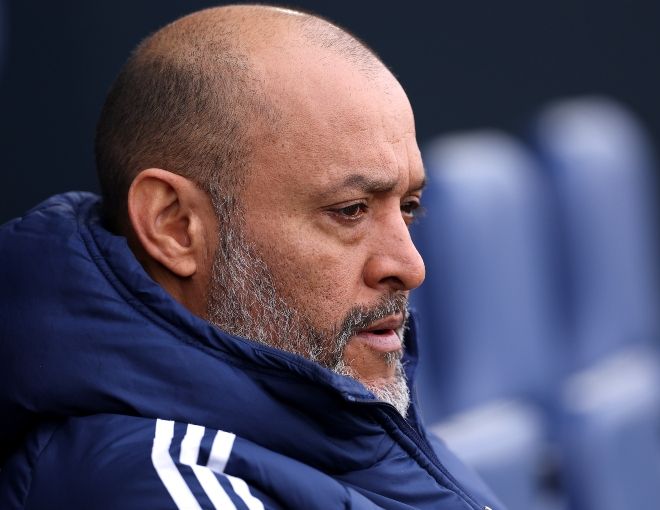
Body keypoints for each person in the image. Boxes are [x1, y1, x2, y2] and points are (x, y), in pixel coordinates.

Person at [0, 5, 501, 509]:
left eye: (409, 208)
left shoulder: (355, 421)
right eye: (350, 211)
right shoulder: (159, 486)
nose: (410, 267)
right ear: (175, 227)